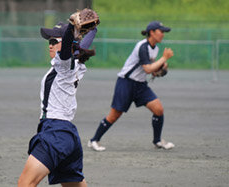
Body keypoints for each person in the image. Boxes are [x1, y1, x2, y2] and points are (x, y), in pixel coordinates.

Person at [18, 9, 99, 187]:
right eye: (49, 40)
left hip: (55, 132)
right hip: (68, 136)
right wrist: (93, 30)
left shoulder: (64, 65)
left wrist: (71, 27)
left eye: (54, 40)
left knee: (25, 183)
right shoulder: (75, 63)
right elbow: (82, 45)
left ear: (66, 44)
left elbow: (69, 46)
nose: (50, 44)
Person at [88, 21, 175, 152]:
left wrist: (159, 70)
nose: (163, 34)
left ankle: (157, 141)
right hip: (126, 83)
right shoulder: (143, 46)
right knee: (114, 116)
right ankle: (94, 140)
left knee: (158, 109)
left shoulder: (155, 48)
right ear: (152, 32)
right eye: (161, 31)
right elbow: (147, 69)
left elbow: (151, 70)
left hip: (140, 85)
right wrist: (163, 59)